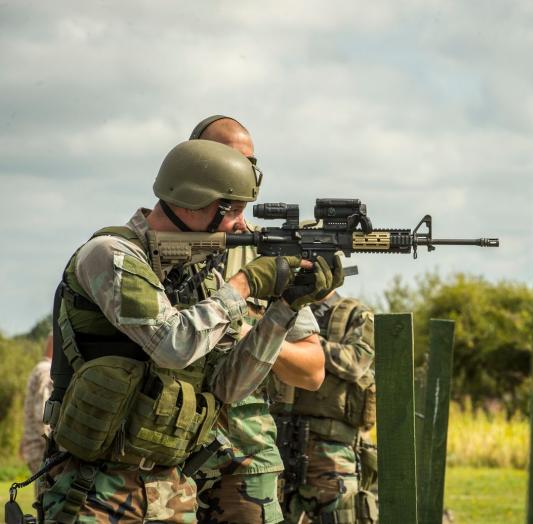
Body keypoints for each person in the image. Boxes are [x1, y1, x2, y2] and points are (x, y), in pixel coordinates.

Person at [40, 139, 343, 523]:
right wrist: (246, 284)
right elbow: (172, 344)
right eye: (230, 209)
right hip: (92, 490)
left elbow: (228, 387)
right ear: (189, 201)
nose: (241, 224)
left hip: (172, 493)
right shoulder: (110, 254)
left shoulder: (201, 278)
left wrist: (285, 309)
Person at [189, 116, 327, 524]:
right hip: (158, 454)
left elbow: (312, 370)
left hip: (242, 461)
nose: (241, 171)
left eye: (250, 162)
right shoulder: (155, 244)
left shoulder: (264, 255)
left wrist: (252, 333)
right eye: (229, 158)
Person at [271, 289, 379, 524]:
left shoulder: (356, 314)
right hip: (281, 440)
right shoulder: (283, 310)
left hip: (332, 448)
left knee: (339, 516)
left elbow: (356, 363)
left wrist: (307, 345)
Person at [20, 333, 54, 475]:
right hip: (42, 450)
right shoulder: (47, 370)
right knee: (47, 494)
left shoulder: (40, 368)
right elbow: (43, 415)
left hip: (35, 447)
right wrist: (51, 447)